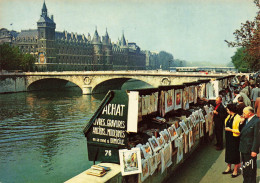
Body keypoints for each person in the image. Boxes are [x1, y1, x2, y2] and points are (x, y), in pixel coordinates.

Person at [239, 106, 260, 183]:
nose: (243, 114)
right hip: (243, 147)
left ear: (250, 113)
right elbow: (241, 130)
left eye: (244, 113)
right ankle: (246, 180)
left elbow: (257, 137)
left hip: (250, 148)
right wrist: (241, 122)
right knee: (245, 167)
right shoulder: (246, 119)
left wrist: (254, 150)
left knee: (251, 168)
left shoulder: (256, 121)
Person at [222, 104, 241, 178]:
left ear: (231, 110)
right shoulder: (229, 116)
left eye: (227, 110)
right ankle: (228, 167)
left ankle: (235, 170)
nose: (227, 111)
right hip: (228, 137)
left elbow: (239, 130)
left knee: (235, 153)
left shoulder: (238, 118)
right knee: (228, 152)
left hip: (235, 138)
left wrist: (230, 129)